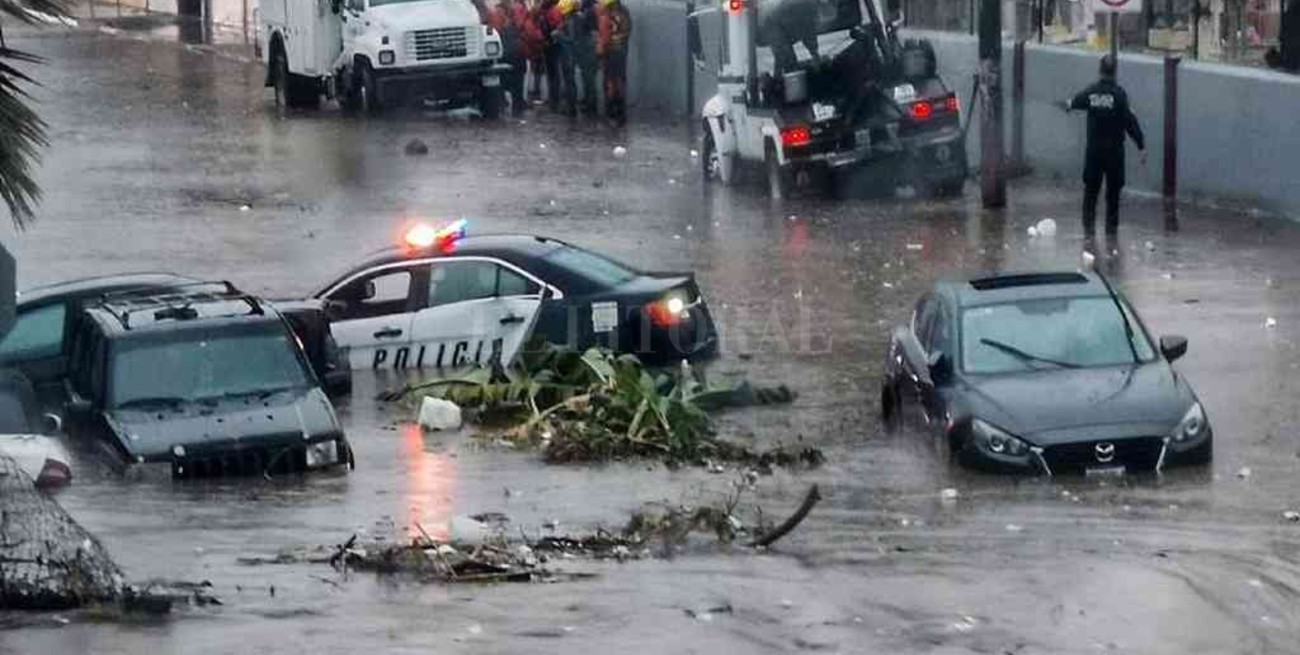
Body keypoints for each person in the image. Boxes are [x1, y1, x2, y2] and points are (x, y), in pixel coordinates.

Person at [1060, 55, 1145, 252]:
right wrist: (1141, 145)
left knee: (1090, 194)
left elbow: (1073, 103)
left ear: (1100, 71)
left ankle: (1088, 237)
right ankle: (1111, 237)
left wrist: (1066, 104)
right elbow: (1130, 123)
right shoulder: (1119, 95)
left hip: (1094, 154)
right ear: (1115, 72)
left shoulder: (1091, 93)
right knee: (1113, 196)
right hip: (1114, 155)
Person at [488, 0, 528, 115]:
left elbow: (493, 29)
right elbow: (523, 27)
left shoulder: (497, 12)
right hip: (516, 53)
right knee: (517, 83)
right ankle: (517, 105)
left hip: (506, 53)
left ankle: (506, 103)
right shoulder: (517, 9)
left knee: (503, 80)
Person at [597, 0, 632, 125]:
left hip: (610, 53)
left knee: (610, 82)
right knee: (620, 82)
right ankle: (620, 114)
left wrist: (600, 51)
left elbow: (603, 37)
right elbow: (627, 31)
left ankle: (611, 112)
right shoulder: (625, 13)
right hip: (621, 52)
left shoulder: (606, 15)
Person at [569, 0, 600, 117]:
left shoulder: (587, 13)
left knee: (588, 78)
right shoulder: (596, 10)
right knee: (589, 78)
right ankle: (590, 103)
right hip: (593, 48)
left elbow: (581, 33)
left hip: (588, 49)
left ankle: (591, 106)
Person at [549, 0, 579, 116]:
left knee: (569, 81)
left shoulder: (571, 21)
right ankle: (570, 107)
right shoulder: (571, 20)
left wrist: (558, 35)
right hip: (568, 54)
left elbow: (571, 40)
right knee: (569, 81)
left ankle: (571, 109)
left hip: (568, 55)